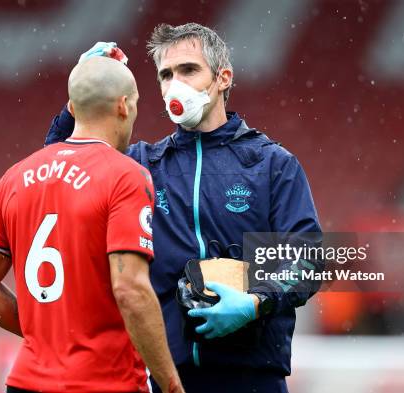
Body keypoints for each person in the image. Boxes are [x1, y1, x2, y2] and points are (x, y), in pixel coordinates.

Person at [45, 23, 323, 393]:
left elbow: (308, 258)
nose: (175, 83)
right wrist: (80, 96)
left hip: (253, 378)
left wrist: (255, 302)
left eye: (188, 70)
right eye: (165, 75)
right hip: (166, 378)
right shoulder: (141, 164)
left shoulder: (270, 165)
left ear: (223, 78)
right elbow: (63, 169)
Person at [0, 56, 184, 393]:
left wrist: (48, 334)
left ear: (73, 107)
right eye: (136, 103)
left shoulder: (15, 177)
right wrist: (171, 386)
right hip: (104, 382)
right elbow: (131, 290)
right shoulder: (125, 175)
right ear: (123, 106)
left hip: (26, 382)